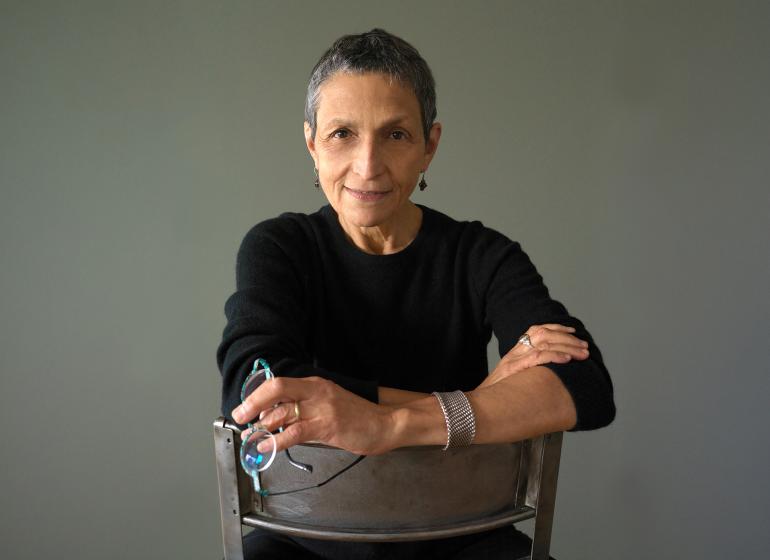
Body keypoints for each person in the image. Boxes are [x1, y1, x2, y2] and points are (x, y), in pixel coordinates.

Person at [217, 28, 615, 560]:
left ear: (430, 145)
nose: (367, 165)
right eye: (342, 134)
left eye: (396, 135)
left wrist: (386, 424)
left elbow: (585, 385)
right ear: (311, 143)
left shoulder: (481, 254)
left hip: (464, 538)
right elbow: (256, 393)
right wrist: (482, 402)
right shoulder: (279, 247)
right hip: (306, 544)